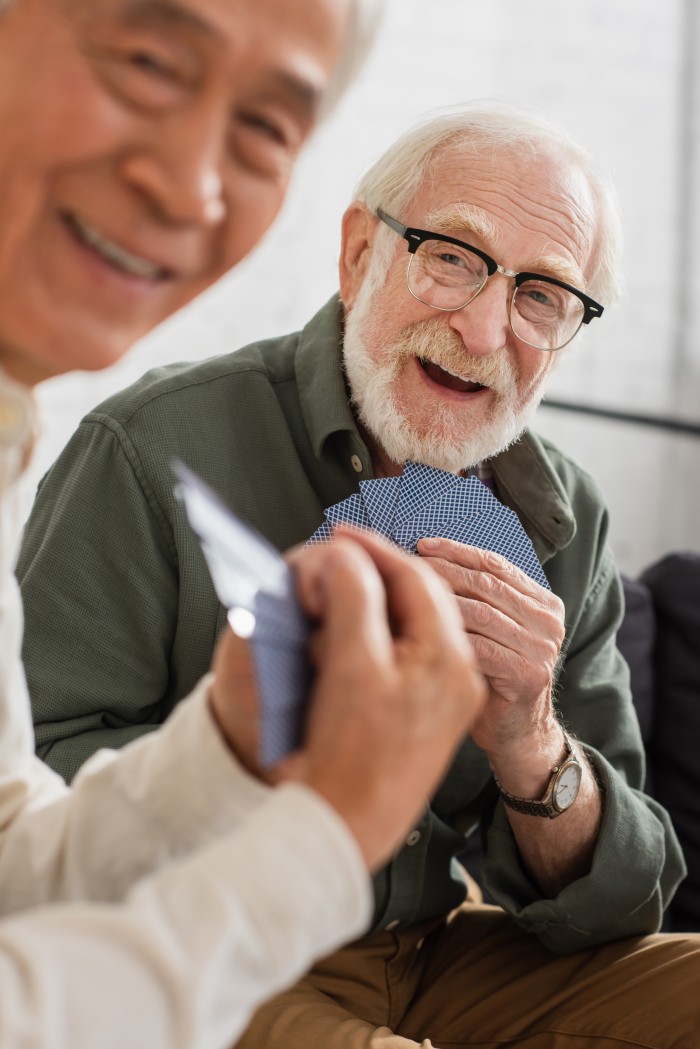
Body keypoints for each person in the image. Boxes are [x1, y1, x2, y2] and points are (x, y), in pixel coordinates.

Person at [17, 102, 700, 1047]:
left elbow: (627, 903)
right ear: (357, 253)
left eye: (543, 294)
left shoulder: (565, 517)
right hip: (208, 938)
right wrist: (260, 750)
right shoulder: (148, 447)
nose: (488, 324)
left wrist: (530, 743)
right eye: (453, 255)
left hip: (433, 949)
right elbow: (27, 804)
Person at [0, 1, 489, 1047]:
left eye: (267, 128)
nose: (191, 186)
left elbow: (7, 863)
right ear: (358, 255)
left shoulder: (8, 433)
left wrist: (228, 743)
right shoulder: (145, 436)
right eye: (147, 61)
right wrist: (317, 838)